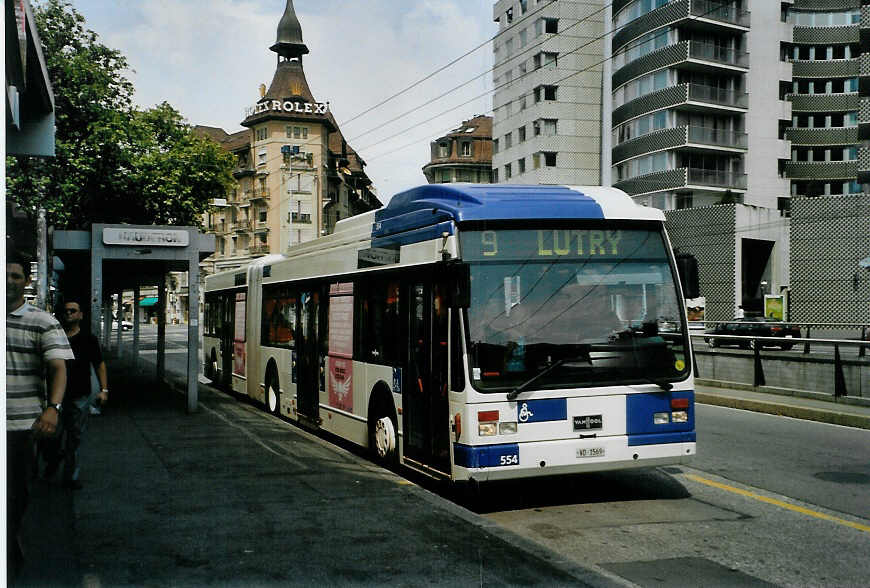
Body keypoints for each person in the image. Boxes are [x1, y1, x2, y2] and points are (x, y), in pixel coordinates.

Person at [6, 252, 73, 578]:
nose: (8, 281)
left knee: (16, 492)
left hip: (20, 425)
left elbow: (58, 368)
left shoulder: (43, 321)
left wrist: (53, 408)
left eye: (15, 276)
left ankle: (9, 540)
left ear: (26, 281)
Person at [41, 299, 109, 490]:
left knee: (75, 438)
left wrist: (104, 390)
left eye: (73, 311)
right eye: (66, 311)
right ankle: (53, 459)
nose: (69, 314)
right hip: (54, 397)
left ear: (80, 315)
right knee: (49, 436)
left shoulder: (88, 339)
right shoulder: (53, 336)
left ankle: (71, 476)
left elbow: (99, 364)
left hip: (80, 395)